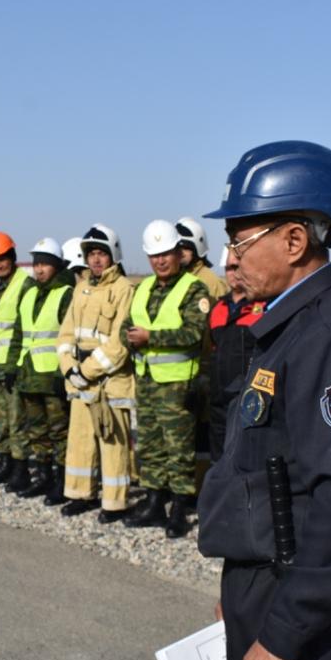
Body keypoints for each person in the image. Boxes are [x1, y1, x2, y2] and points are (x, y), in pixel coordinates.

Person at [198, 140, 331, 660]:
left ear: (294, 240)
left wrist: (283, 633)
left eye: (239, 242)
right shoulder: (293, 331)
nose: (228, 259)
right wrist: (242, 593)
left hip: (302, 611)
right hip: (270, 588)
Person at [121, 220, 210, 536]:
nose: (160, 260)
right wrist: (128, 338)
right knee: (151, 447)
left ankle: (179, 511)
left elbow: (193, 332)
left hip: (176, 386)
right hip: (146, 383)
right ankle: (154, 504)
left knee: (178, 450)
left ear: (178, 253)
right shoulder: (143, 287)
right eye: (153, 255)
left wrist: (151, 337)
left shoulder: (193, 289)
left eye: (166, 253)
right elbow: (126, 325)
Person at [57, 224, 136, 519]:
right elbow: (65, 335)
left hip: (110, 382)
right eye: (91, 254)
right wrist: (69, 369)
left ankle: (115, 502)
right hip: (80, 380)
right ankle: (80, 493)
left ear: (113, 254)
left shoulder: (124, 290)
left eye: (101, 253)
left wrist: (86, 371)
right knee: (79, 440)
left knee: (112, 442)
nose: (96, 260)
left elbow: (119, 343)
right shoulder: (81, 288)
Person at [15, 237, 76, 501]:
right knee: (36, 432)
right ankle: (43, 477)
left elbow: (68, 335)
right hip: (29, 376)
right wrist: (16, 367)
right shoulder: (29, 294)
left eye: (45, 264)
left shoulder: (65, 293)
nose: (39, 269)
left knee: (59, 432)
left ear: (56, 266)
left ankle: (62, 482)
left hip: (52, 377)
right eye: (36, 264)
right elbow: (20, 334)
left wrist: (60, 374)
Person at [176, 216, 230, 488]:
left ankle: (203, 486)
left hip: (207, 366)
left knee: (206, 431)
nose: (180, 254)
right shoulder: (176, 282)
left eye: (185, 249)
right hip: (182, 368)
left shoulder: (211, 282)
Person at [0, 232, 33, 491]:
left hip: (14, 367)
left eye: (3, 259)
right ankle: (5, 463)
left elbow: (25, 329)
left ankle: (21, 470)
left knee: (17, 420)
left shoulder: (25, 284)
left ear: (12, 257)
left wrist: (16, 365)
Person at [205, 259, 266, 469]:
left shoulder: (263, 307)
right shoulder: (218, 308)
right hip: (218, 397)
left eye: (238, 267)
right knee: (218, 455)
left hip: (247, 399)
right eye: (230, 268)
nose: (234, 273)